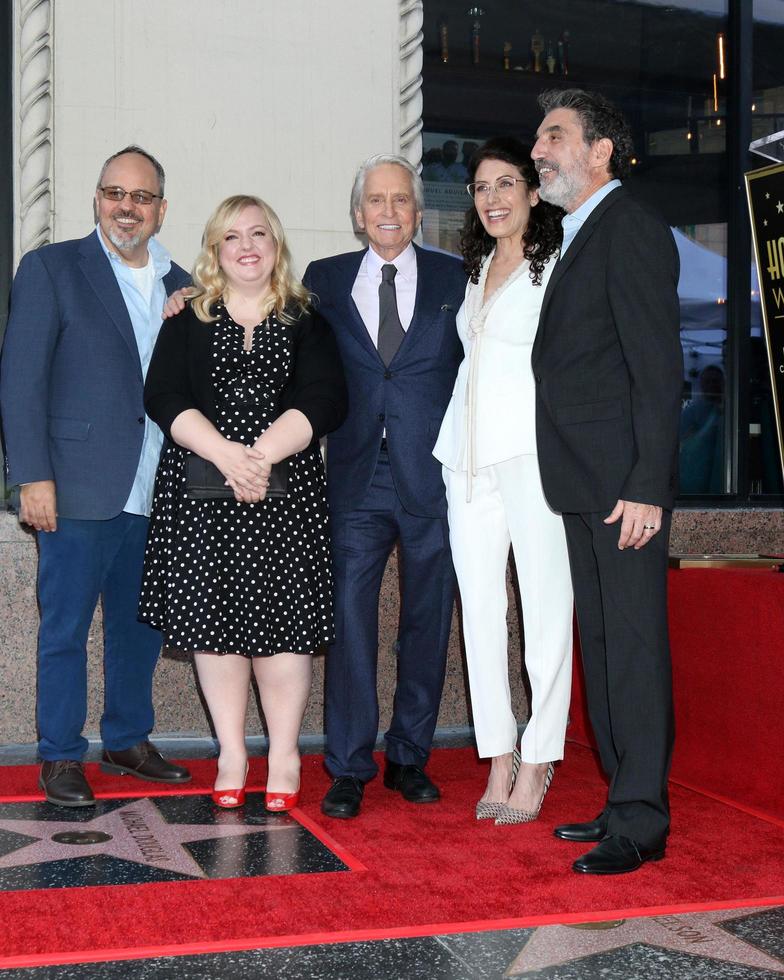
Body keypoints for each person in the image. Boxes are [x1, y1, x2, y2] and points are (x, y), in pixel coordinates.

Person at [140, 195, 347, 812]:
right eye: (232, 237)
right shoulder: (186, 318)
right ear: (215, 251)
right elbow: (164, 395)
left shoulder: (306, 317)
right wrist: (228, 457)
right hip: (204, 499)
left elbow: (327, 398)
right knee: (216, 630)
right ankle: (232, 751)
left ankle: (284, 752)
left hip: (287, 497)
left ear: (277, 245)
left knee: (284, 632)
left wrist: (259, 456)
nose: (247, 245)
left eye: (259, 233)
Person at [0, 146, 192, 807]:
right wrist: (32, 476)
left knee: (140, 628)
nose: (126, 207)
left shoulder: (184, 285)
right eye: (114, 192)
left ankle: (128, 739)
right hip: (76, 486)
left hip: (157, 489)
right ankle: (59, 754)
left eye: (140, 197)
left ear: (160, 209)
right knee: (66, 628)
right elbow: (20, 380)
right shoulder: (53, 269)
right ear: (97, 200)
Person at [530, 89, 682, 874]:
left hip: (624, 488)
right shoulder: (580, 233)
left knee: (631, 649)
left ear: (601, 151)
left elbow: (658, 369)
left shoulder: (630, 228)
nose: (537, 151)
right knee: (601, 645)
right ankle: (622, 795)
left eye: (554, 136)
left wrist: (648, 483)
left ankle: (642, 819)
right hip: (584, 483)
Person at [303, 154, 465, 819]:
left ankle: (408, 756)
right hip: (355, 475)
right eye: (376, 200)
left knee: (428, 621)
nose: (389, 211)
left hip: (434, 477)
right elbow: (275, 330)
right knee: (348, 619)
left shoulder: (459, 278)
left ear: (418, 211)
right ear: (358, 213)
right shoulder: (325, 280)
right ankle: (348, 764)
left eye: (401, 199)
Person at [433, 137, 573, 825]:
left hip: (534, 458)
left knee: (546, 609)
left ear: (533, 191)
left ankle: (541, 754)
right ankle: (499, 754)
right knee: (481, 612)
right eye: (482, 187)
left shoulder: (558, 265)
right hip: (466, 456)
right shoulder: (478, 265)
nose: (493, 198)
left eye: (506, 183)